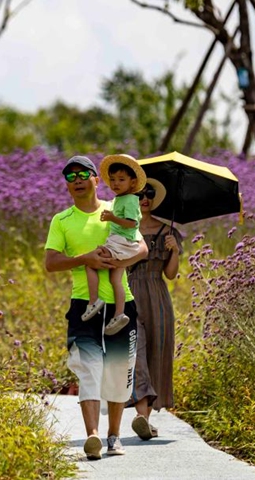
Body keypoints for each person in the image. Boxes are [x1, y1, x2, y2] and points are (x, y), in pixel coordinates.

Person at [44, 155, 148, 460]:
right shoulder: (61, 221)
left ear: (95, 180)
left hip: (120, 305)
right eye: (69, 176)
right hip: (84, 305)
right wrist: (84, 259)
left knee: (118, 373)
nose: (76, 180)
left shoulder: (114, 208)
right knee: (88, 371)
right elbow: (51, 263)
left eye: (82, 174)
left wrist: (119, 261)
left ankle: (114, 436)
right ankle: (92, 437)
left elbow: (141, 247)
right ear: (66, 185)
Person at [126, 178, 183, 441]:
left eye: (149, 193)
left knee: (156, 356)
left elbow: (171, 275)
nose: (145, 198)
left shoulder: (168, 232)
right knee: (134, 355)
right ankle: (141, 416)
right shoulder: (124, 230)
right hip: (128, 295)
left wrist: (174, 252)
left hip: (158, 297)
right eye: (139, 194)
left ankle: (144, 420)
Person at [81, 154, 147, 339]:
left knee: (91, 261)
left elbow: (131, 223)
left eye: (121, 179)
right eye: (112, 180)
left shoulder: (131, 200)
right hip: (123, 242)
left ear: (132, 182)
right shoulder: (120, 199)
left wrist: (112, 218)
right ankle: (119, 314)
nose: (115, 183)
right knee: (115, 279)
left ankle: (94, 301)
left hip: (122, 242)